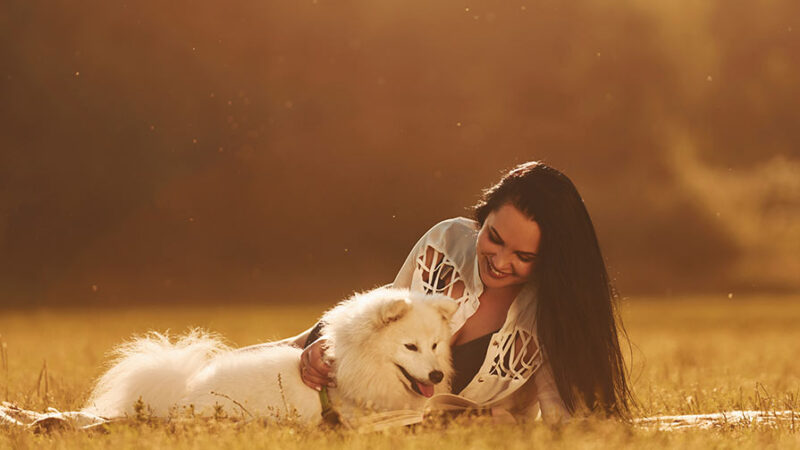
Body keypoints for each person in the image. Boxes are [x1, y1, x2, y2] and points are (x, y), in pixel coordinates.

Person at [272, 161, 633, 422]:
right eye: (494, 238)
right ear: (482, 217)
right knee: (231, 381)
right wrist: (328, 349)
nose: (500, 262)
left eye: (523, 256)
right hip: (337, 361)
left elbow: (569, 425)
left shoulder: (553, 317)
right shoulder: (444, 240)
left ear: (551, 261)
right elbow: (385, 317)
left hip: (406, 428)